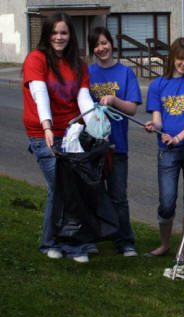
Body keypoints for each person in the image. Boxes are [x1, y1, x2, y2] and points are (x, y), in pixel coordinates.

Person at [22, 12, 96, 263]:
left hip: (72, 133)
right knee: (64, 186)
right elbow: (39, 94)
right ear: (46, 34)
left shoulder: (78, 63)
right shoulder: (36, 58)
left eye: (64, 32)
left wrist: (96, 124)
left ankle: (54, 241)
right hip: (43, 134)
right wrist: (47, 127)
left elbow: (84, 99)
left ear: (70, 35)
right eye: (54, 32)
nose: (59, 37)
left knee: (66, 188)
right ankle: (71, 245)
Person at [144, 37, 184, 263]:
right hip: (167, 150)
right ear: (171, 59)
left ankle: (182, 250)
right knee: (167, 201)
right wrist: (155, 128)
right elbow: (158, 121)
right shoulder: (157, 85)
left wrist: (179, 137)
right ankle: (164, 245)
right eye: (180, 59)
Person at [87, 26, 142, 257]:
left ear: (111, 43)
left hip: (118, 145)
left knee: (118, 196)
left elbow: (132, 109)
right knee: (93, 194)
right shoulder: (87, 73)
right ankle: (92, 238)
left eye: (104, 42)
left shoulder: (126, 73)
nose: (102, 48)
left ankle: (124, 241)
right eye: (97, 45)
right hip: (93, 147)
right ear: (93, 49)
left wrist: (113, 100)